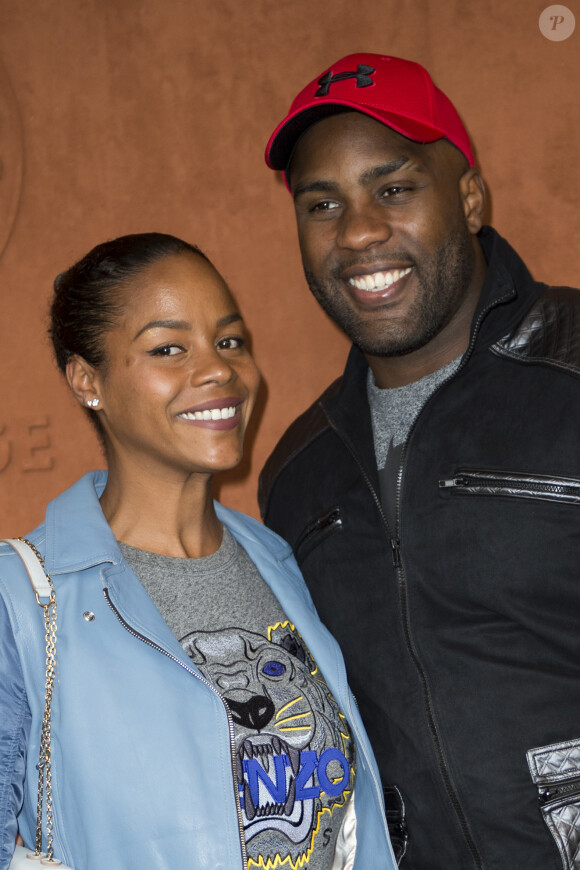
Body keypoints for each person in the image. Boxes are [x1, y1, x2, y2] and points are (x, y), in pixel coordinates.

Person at [258, 53, 580, 870]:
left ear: (469, 198)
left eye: (393, 188)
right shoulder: (298, 472)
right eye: (322, 203)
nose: (359, 231)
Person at [0, 232, 398, 870]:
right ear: (86, 380)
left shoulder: (276, 558)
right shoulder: (19, 600)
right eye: (169, 348)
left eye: (229, 341)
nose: (219, 370)